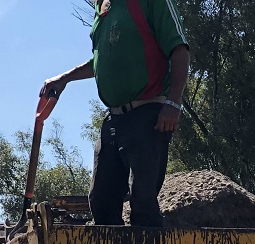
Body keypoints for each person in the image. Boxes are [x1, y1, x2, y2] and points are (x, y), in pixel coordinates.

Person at [43, 0, 190, 226]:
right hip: (114, 118)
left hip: (148, 112)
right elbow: (100, 59)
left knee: (142, 198)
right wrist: (64, 79)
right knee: (101, 200)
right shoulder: (102, 6)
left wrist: (174, 103)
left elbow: (178, 47)